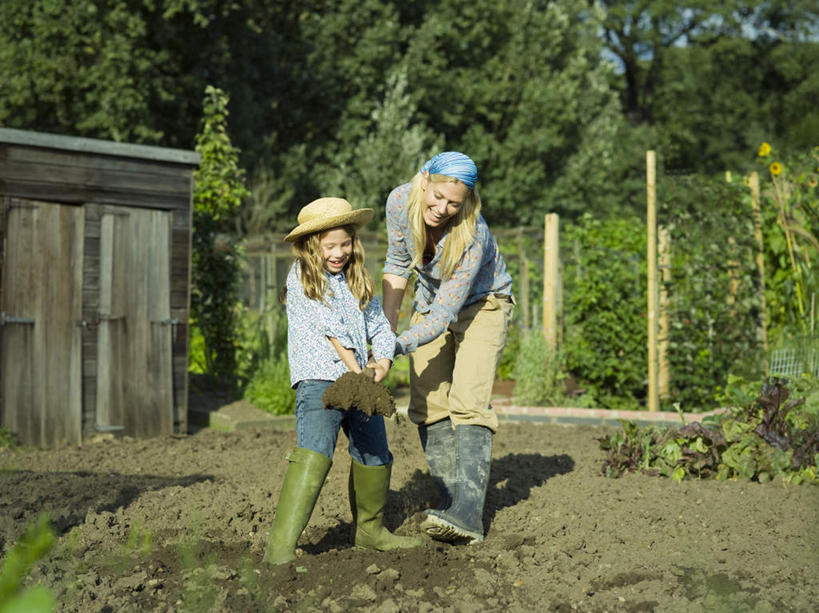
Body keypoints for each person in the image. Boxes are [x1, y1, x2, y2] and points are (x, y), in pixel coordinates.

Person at [264, 197, 423, 566]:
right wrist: (356, 368)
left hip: (358, 379)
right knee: (316, 452)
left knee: (375, 451)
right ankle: (281, 550)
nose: (339, 253)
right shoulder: (301, 277)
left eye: (345, 244)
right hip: (321, 379)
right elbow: (330, 329)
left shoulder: (356, 280)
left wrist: (382, 358)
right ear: (310, 246)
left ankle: (370, 532)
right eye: (330, 246)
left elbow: (378, 323)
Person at [381, 152, 514, 545]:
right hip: (430, 300)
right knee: (427, 404)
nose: (442, 209)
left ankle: (469, 515)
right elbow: (396, 263)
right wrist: (386, 328)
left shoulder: (473, 234)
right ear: (424, 180)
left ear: (467, 202)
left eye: (453, 204)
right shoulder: (398, 203)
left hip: (482, 304)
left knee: (468, 401)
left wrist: (398, 344)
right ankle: (451, 503)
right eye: (437, 197)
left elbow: (444, 314)